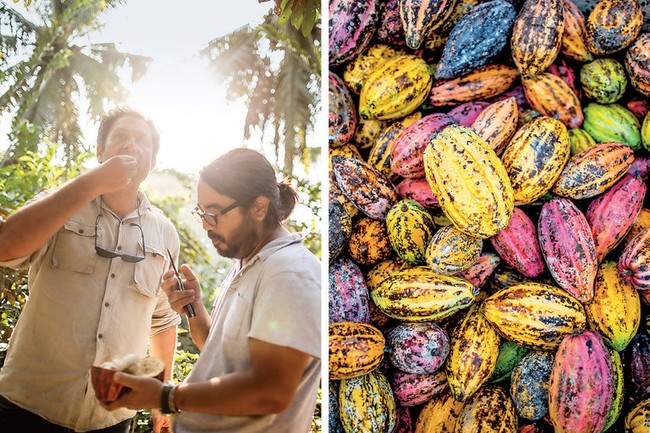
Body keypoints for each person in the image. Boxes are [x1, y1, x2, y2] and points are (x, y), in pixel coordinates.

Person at [103, 148, 321, 432]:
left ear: (259, 207)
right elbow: (226, 357)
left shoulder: (289, 274)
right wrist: (194, 311)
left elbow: (270, 391)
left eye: (213, 214)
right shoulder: (249, 261)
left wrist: (166, 396)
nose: (205, 225)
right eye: (200, 213)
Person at [0, 107, 180, 433]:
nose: (130, 146)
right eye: (120, 137)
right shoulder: (59, 201)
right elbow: (5, 247)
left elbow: (163, 322)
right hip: (28, 405)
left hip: (110, 419)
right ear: (100, 152)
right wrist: (91, 184)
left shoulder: (165, 234)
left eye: (141, 141)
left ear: (152, 163)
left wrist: (161, 400)